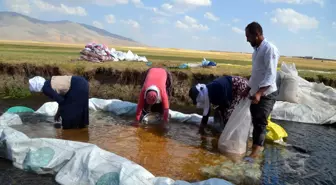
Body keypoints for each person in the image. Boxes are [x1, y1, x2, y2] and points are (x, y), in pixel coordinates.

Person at [244, 21, 280, 160]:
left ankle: (255, 154)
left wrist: (259, 93)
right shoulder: (257, 51)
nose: (247, 39)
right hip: (256, 92)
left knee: (260, 122)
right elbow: (256, 74)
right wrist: (248, 88)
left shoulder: (269, 49)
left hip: (266, 94)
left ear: (257, 34)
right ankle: (256, 147)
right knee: (254, 119)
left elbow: (271, 74)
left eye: (248, 36)